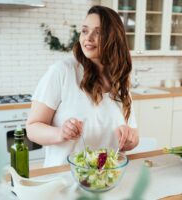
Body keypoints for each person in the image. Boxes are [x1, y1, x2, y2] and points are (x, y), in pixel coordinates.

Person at [26, 5, 139, 167]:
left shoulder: (119, 79)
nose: (88, 38)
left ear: (114, 38)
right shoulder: (62, 71)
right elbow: (32, 128)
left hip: (107, 179)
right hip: (63, 181)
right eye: (85, 31)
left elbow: (134, 136)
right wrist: (60, 133)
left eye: (98, 32)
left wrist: (130, 139)